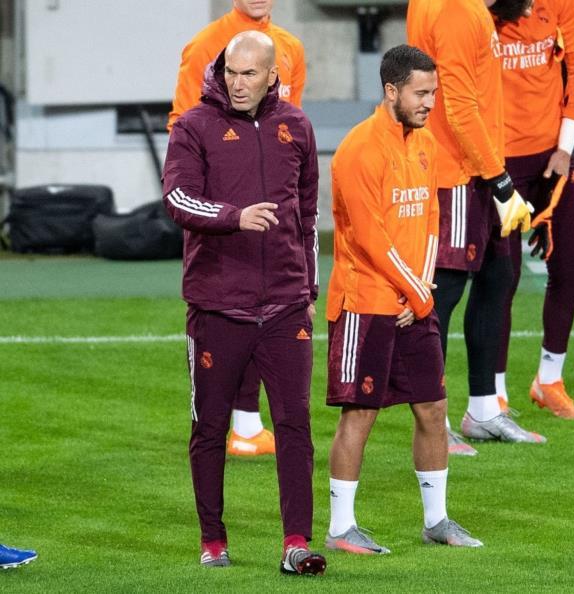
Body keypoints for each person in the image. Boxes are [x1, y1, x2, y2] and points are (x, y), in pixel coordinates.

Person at [162, 31, 325, 575]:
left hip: (285, 305)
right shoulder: (193, 127)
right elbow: (177, 199)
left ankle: (296, 543)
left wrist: (308, 289)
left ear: (272, 76)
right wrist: (234, 217)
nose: (237, 82)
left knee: (295, 424)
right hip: (217, 307)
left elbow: (308, 216)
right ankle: (213, 540)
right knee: (209, 428)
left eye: (249, 73)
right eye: (231, 71)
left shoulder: (297, 126)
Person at [325, 45, 483, 555]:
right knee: (360, 414)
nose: (429, 103)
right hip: (365, 302)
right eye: (420, 93)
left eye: (433, 92)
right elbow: (371, 237)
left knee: (433, 408)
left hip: (414, 302)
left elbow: (433, 218)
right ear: (391, 90)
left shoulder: (426, 143)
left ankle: (436, 521)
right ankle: (341, 528)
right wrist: (417, 292)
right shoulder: (359, 150)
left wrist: (420, 289)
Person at [168, 0, 308, 456]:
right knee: (230, 304)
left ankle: (247, 424)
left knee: (266, 307)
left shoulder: (290, 47)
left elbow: (289, 125)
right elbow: (184, 124)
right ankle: (239, 423)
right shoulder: (204, 45)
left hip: (272, 208)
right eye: (234, 72)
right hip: (220, 202)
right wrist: (220, 200)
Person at [407, 0, 546, 455]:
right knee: (444, 292)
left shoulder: (460, 8)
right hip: (459, 173)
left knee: (497, 276)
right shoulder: (457, 12)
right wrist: (500, 179)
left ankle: (484, 411)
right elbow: (459, 106)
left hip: (475, 168)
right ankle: (435, 423)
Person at [494, 0, 574, 419]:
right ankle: (493, 392)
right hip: (499, 161)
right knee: (502, 278)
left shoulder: (562, 3)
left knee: (569, 266)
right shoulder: (483, 10)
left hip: (553, 156)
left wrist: (565, 148)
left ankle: (549, 379)